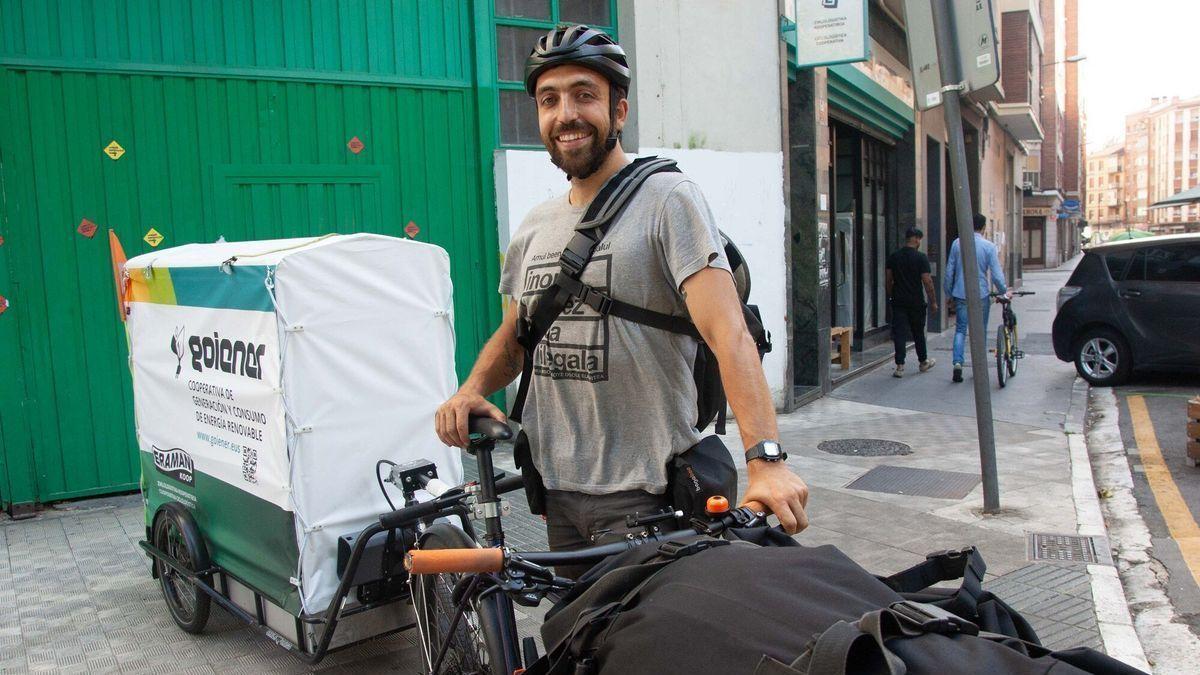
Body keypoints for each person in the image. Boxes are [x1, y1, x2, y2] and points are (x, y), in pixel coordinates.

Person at [433, 25, 809, 576]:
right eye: (549, 99)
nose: (566, 114)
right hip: (556, 489)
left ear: (620, 109)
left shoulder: (667, 201)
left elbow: (728, 334)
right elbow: (516, 336)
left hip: (647, 496)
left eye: (584, 94)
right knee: (577, 643)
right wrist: (469, 390)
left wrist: (766, 461)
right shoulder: (534, 226)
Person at [943, 213, 1009, 383]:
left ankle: (957, 363)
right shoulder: (988, 246)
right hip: (981, 294)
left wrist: (948, 292)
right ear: (984, 227)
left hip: (960, 293)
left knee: (960, 330)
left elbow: (949, 270)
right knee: (979, 331)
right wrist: (1003, 290)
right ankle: (978, 366)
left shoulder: (957, 244)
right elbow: (996, 273)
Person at [885, 228, 937, 377]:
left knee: (899, 333)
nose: (920, 242)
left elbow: (888, 279)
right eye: (920, 239)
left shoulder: (894, 257)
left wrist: (890, 296)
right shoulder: (921, 258)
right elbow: (927, 281)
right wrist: (933, 301)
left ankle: (900, 366)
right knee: (918, 332)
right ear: (915, 239)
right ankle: (923, 361)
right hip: (916, 301)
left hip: (898, 301)